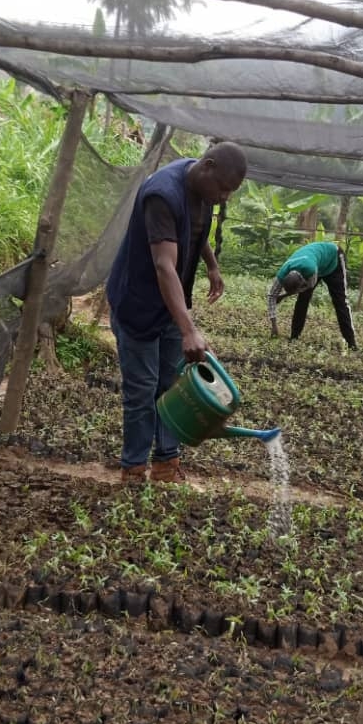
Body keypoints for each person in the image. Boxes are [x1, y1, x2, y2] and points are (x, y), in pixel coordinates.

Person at [107, 142, 247, 484]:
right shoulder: (162, 194)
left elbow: (194, 232)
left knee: (170, 384)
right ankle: (135, 468)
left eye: (231, 192)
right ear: (208, 166)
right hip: (139, 304)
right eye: (224, 188)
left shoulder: (203, 190)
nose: (225, 197)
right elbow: (164, 265)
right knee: (142, 389)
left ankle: (167, 464)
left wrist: (211, 266)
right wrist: (188, 329)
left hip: (172, 305)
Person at [267, 240, 357, 348]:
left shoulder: (310, 271)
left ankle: (351, 344)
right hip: (315, 261)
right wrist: (274, 326)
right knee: (302, 300)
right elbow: (271, 296)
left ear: (303, 280)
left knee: (340, 302)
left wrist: (284, 296)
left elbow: (309, 286)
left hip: (333, 260)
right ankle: (294, 337)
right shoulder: (282, 273)